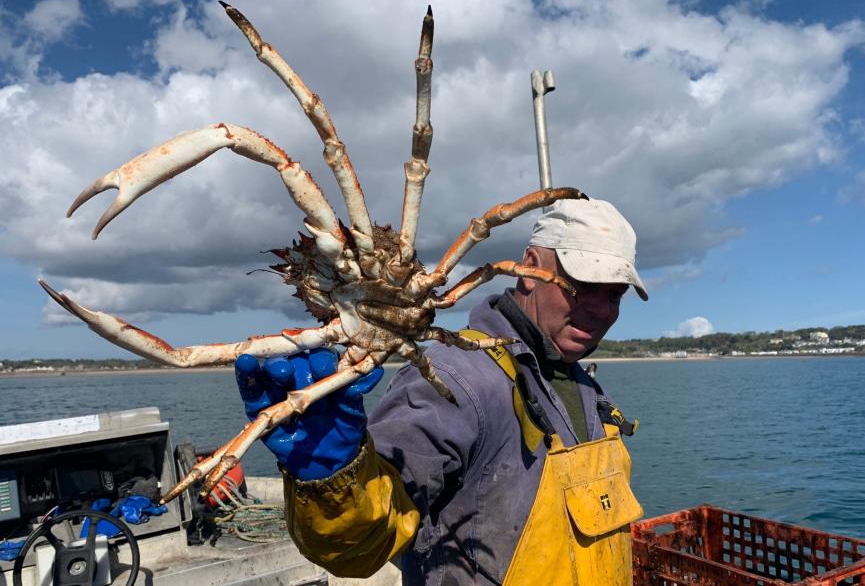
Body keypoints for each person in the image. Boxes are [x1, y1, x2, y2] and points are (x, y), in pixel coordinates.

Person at [236, 198, 648, 585]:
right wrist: (333, 476)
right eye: (581, 285)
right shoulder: (457, 378)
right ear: (528, 268)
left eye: (614, 294)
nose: (600, 308)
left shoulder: (582, 384)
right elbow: (364, 544)